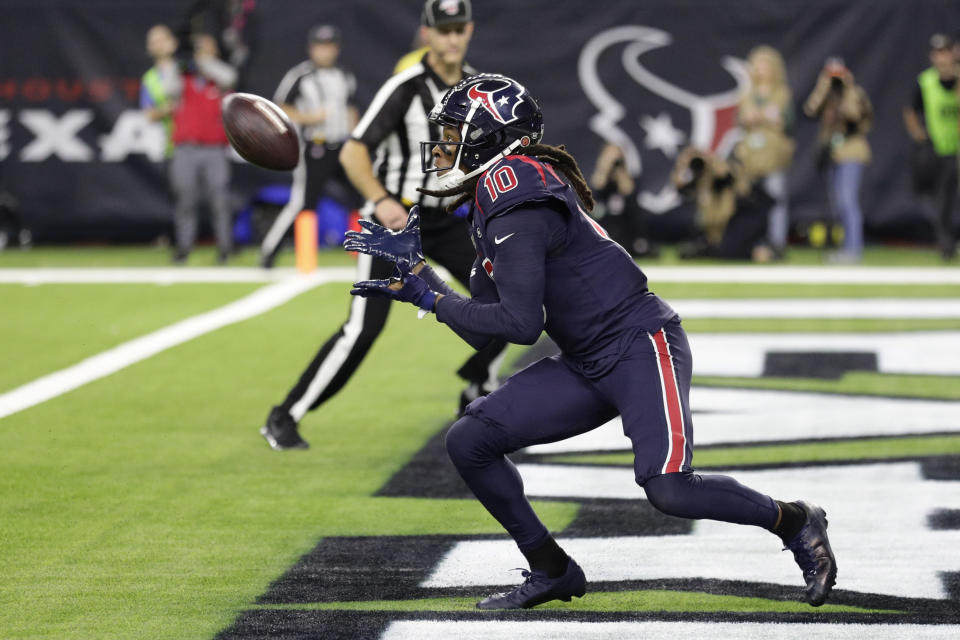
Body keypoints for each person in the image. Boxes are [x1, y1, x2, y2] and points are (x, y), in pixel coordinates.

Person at [344, 73, 838, 610]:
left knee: (669, 489)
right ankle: (551, 568)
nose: (441, 145)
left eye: (453, 131)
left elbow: (519, 325)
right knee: (469, 440)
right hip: (585, 359)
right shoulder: (494, 194)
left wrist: (433, 299)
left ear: (490, 135)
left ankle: (795, 519)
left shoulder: (514, 187)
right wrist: (423, 280)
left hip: (639, 344)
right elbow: (485, 324)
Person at [259, 0, 508, 450]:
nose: (451, 38)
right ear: (426, 33)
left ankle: (478, 386)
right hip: (395, 220)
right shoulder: (406, 86)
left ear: (469, 31)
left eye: (458, 29)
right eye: (442, 29)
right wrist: (380, 198)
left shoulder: (477, 89)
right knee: (364, 328)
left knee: (512, 301)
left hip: (447, 218)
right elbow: (354, 152)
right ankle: (285, 415)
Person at [259, 24, 360, 267]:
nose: (325, 52)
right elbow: (280, 107)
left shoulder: (345, 75)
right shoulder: (301, 75)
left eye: (329, 46)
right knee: (303, 202)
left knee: (362, 195)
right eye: (320, 46)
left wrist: (355, 135)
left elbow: (351, 107)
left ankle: (361, 251)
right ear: (311, 49)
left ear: (336, 49)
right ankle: (269, 251)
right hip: (315, 147)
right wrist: (310, 118)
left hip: (342, 147)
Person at [168, 32, 237, 264]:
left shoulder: (219, 79)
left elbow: (230, 76)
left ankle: (225, 248)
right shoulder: (184, 77)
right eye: (198, 49)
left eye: (206, 48)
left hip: (214, 149)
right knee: (185, 200)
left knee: (219, 200)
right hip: (186, 149)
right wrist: (182, 61)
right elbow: (169, 88)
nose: (201, 52)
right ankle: (183, 248)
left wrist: (204, 62)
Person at [804, 58, 872, 263]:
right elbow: (810, 109)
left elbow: (855, 115)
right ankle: (846, 249)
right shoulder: (827, 96)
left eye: (838, 75)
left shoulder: (855, 93)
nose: (835, 80)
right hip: (833, 154)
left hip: (851, 151)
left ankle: (853, 251)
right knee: (838, 204)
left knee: (847, 201)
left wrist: (847, 88)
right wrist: (823, 86)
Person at [733, 45, 795, 260]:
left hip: (772, 154)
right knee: (751, 201)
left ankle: (776, 242)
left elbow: (789, 124)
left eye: (765, 66)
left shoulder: (782, 93)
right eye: (757, 67)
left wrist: (770, 119)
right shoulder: (747, 94)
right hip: (750, 156)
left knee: (776, 198)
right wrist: (750, 119)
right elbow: (739, 122)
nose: (761, 71)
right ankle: (755, 241)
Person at [903, 34, 959, 260]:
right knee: (942, 200)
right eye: (937, 53)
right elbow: (910, 110)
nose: (941, 58)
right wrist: (919, 134)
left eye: (944, 53)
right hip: (940, 149)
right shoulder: (926, 81)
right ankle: (946, 243)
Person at [588, 142, 657, 258]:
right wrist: (604, 169)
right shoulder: (598, 179)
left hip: (625, 231)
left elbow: (631, 201)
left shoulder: (629, 178)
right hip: (603, 230)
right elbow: (591, 204)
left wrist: (620, 172)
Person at [140, 25, 181, 161]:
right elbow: (149, 114)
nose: (160, 45)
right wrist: (167, 109)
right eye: (154, 42)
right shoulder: (149, 78)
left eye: (163, 40)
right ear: (149, 48)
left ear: (173, 43)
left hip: (199, 143)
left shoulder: (188, 70)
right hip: (170, 147)